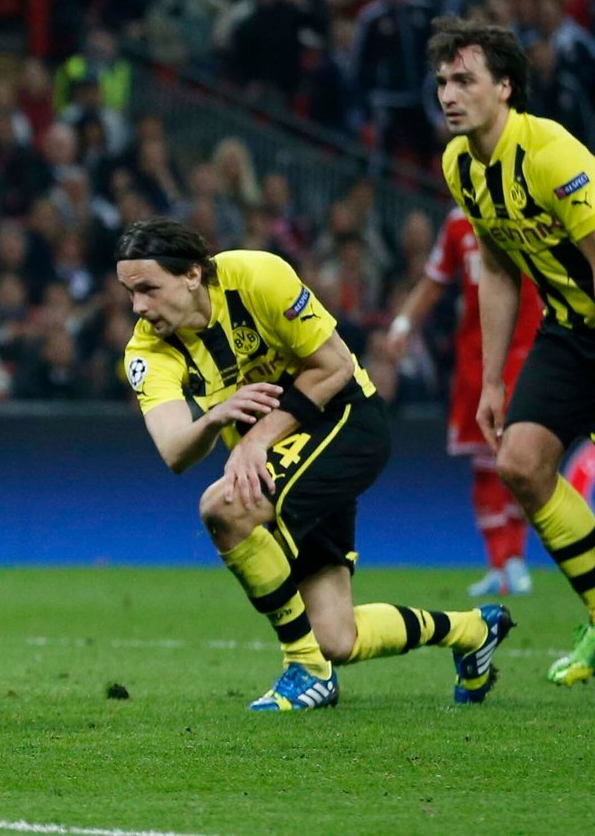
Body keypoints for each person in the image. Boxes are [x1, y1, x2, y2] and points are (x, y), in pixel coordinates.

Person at [116, 217, 509, 711]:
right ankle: (473, 630)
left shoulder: (258, 277)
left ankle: (304, 668)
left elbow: (336, 365)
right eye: (130, 293)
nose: (139, 306)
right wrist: (214, 419)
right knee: (336, 638)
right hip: (278, 458)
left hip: (345, 421)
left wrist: (255, 438)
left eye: (149, 289)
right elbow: (175, 450)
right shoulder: (148, 350)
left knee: (223, 508)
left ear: (192, 274)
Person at [433, 17, 595, 686]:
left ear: (504, 87)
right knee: (521, 463)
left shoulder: (551, 153)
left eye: (464, 79)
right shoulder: (459, 165)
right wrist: (493, 379)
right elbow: (497, 267)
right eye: (442, 80)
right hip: (571, 330)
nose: (447, 92)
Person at [377, 208, 543, 596]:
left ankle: (516, 557)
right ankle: (497, 564)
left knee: (518, 459)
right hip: (477, 360)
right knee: (485, 465)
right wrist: (403, 323)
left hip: (528, 353)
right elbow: (434, 282)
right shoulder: (457, 222)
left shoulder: (527, 208)